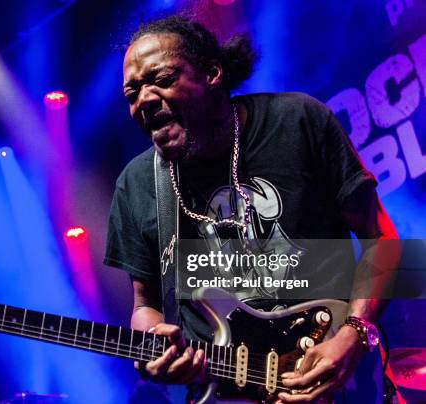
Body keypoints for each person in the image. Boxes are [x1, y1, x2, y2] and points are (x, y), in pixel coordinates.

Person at [104, 15, 401, 403]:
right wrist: (151, 347)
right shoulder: (136, 184)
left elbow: (384, 240)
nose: (143, 100)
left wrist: (354, 334)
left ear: (212, 73)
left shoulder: (297, 121)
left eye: (161, 79)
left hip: (337, 382)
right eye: (132, 93)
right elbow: (146, 307)